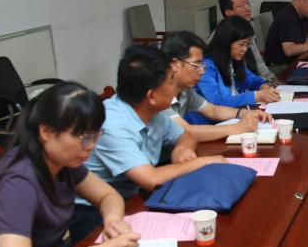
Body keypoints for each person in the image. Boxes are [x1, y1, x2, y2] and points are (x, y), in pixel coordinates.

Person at [0, 83, 141, 247]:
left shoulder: (62, 160)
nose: (90, 146)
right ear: (46, 131)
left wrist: (113, 221)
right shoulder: (18, 182)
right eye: (83, 137)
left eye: (96, 136)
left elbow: (108, 195)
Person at [84, 45, 223, 204]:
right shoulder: (112, 125)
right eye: (171, 81)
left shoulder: (151, 110)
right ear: (151, 96)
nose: (174, 87)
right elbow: (151, 180)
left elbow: (185, 135)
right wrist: (203, 162)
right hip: (99, 209)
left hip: (137, 195)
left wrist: (181, 149)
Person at [161, 30, 272, 133]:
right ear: (175, 64)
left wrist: (244, 113)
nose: (202, 71)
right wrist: (238, 127)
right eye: (196, 64)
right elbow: (186, 132)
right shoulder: (158, 94)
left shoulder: (186, 91)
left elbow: (212, 110)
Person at [198, 16, 280, 109]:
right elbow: (216, 104)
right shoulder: (205, 68)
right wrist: (256, 96)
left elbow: (249, 77)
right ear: (226, 42)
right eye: (241, 44)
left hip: (238, 113)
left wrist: (263, 86)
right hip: (220, 117)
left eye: (247, 44)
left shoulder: (233, 59)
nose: (245, 49)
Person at [217, 0, 276, 84]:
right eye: (242, 5)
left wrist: (271, 79)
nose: (248, 9)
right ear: (229, 12)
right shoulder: (222, 37)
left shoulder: (246, 30)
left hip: (258, 83)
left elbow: (259, 62)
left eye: (248, 3)